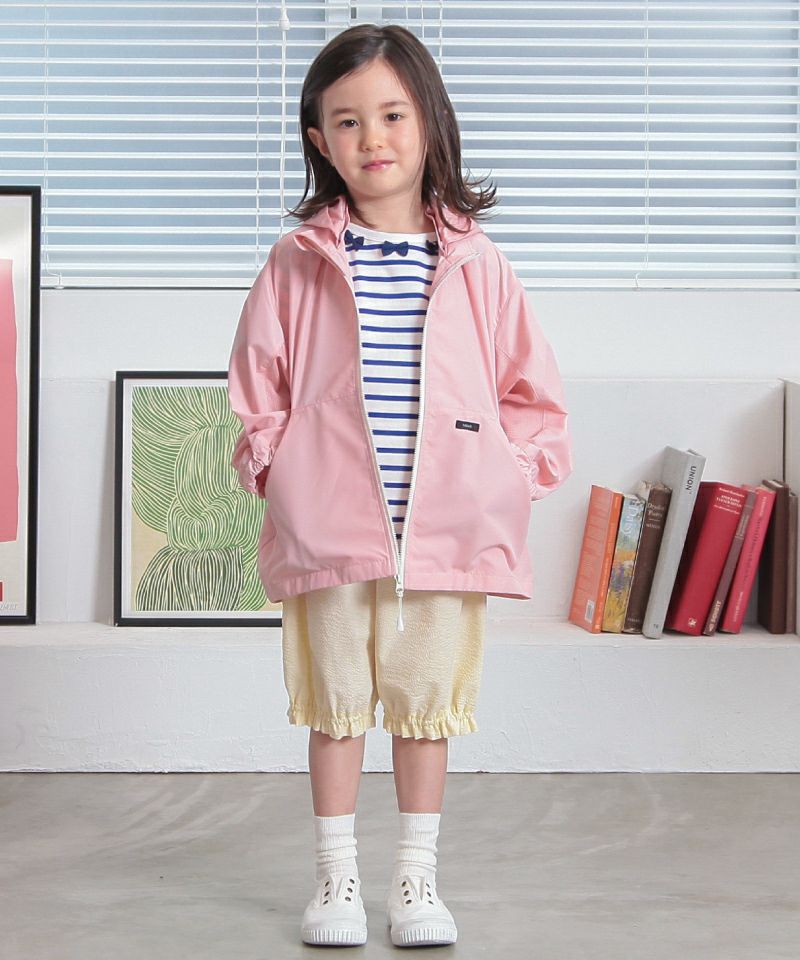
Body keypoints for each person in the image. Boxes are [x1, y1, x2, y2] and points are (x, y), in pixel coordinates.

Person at [226, 22, 573, 948]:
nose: (371, 138)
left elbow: (531, 393)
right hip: (332, 525)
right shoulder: (298, 262)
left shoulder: (478, 264)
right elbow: (259, 386)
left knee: (426, 706)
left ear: (428, 123)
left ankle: (416, 878)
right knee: (336, 703)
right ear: (320, 140)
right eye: (347, 122)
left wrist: (506, 479)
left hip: (444, 531)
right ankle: (335, 878)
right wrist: (283, 472)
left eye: (391, 115)